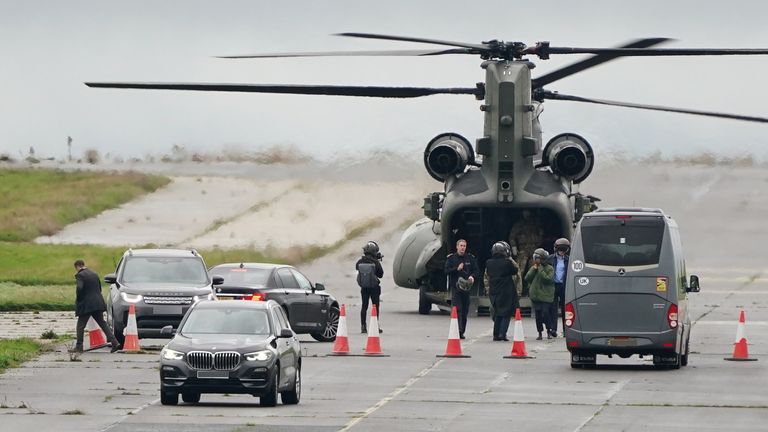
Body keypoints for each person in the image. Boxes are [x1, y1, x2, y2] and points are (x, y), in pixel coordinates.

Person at [73, 260, 121, 353]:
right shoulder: (94, 274)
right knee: (102, 323)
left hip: (87, 304)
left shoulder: (80, 275)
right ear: (84, 265)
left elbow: (79, 288)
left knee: (80, 326)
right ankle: (115, 343)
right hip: (98, 302)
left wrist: (79, 299)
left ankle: (79, 346)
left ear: (77, 267)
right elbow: (99, 288)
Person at [484, 241, 519, 341]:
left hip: (494, 291)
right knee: (506, 313)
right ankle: (502, 334)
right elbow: (515, 270)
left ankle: (496, 334)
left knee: (498, 313)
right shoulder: (507, 262)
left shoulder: (489, 263)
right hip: (506, 291)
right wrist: (510, 258)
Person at [444, 239, 478, 339]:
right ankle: (457, 330)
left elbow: (476, 271)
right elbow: (446, 271)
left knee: (465, 310)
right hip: (456, 288)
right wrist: (456, 269)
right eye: (461, 246)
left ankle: (462, 331)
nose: (463, 248)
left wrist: (472, 276)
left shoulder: (470, 258)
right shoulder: (451, 258)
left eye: (464, 246)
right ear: (457, 247)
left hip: (466, 288)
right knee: (458, 309)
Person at [508, 210, 543, 296]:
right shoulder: (519, 224)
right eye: (525, 212)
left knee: (533, 271)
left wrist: (539, 241)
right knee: (519, 271)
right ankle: (517, 291)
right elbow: (512, 236)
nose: (527, 214)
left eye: (528, 212)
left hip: (534, 250)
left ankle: (530, 291)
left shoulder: (535, 223)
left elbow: (541, 234)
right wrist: (514, 248)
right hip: (523, 250)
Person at [524, 248, 555, 340]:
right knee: (538, 315)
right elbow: (527, 278)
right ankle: (540, 332)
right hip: (536, 296)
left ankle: (549, 330)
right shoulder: (534, 267)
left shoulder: (550, 268)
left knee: (545, 313)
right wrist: (534, 268)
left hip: (546, 296)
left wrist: (540, 268)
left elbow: (547, 279)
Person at [356, 241, 384, 334]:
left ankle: (363, 326)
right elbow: (380, 274)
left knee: (364, 306)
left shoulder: (360, 261)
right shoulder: (375, 262)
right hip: (374, 288)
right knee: (375, 307)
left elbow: (357, 267)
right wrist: (376, 260)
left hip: (364, 288)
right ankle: (375, 326)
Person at [547, 238, 570, 337]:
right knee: (553, 308)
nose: (561, 251)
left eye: (563, 249)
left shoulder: (569, 260)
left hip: (564, 286)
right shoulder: (550, 259)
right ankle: (553, 329)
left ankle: (567, 330)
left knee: (566, 309)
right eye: (560, 249)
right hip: (553, 285)